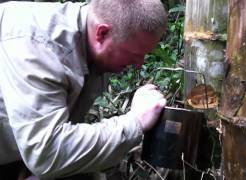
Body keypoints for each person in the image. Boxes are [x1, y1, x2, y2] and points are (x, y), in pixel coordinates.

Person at [0, 0, 167, 179]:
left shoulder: (97, 46)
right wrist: (134, 122)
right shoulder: (37, 45)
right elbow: (46, 153)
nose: (139, 64)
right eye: (134, 55)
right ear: (102, 33)